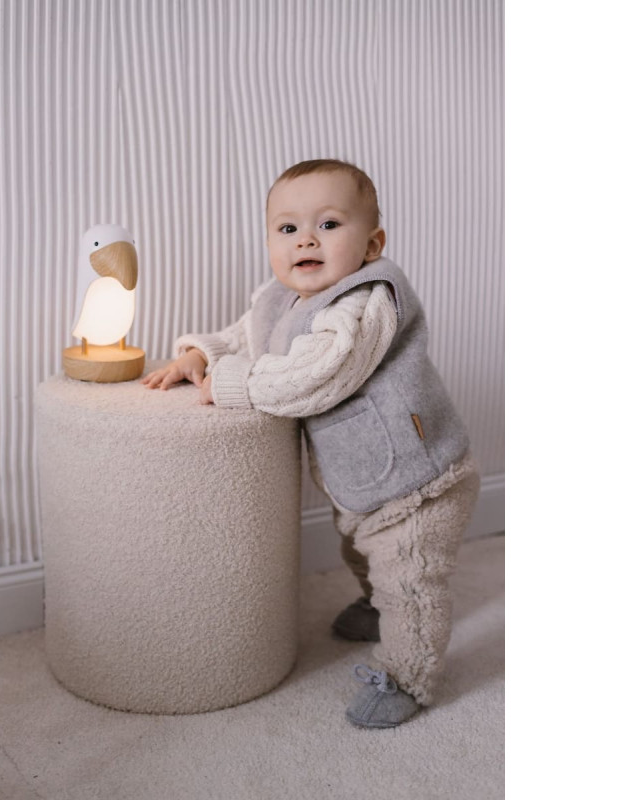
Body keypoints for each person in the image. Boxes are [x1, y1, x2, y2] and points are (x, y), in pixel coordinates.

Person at [142, 159, 480, 728]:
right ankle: (375, 604)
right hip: (364, 475)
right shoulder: (278, 297)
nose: (305, 239)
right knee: (361, 552)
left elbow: (317, 373)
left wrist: (231, 384)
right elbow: (247, 334)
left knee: (409, 577)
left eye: (328, 224)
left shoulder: (365, 299)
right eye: (288, 228)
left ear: (372, 244)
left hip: (420, 480)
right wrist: (202, 353)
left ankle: (408, 675)